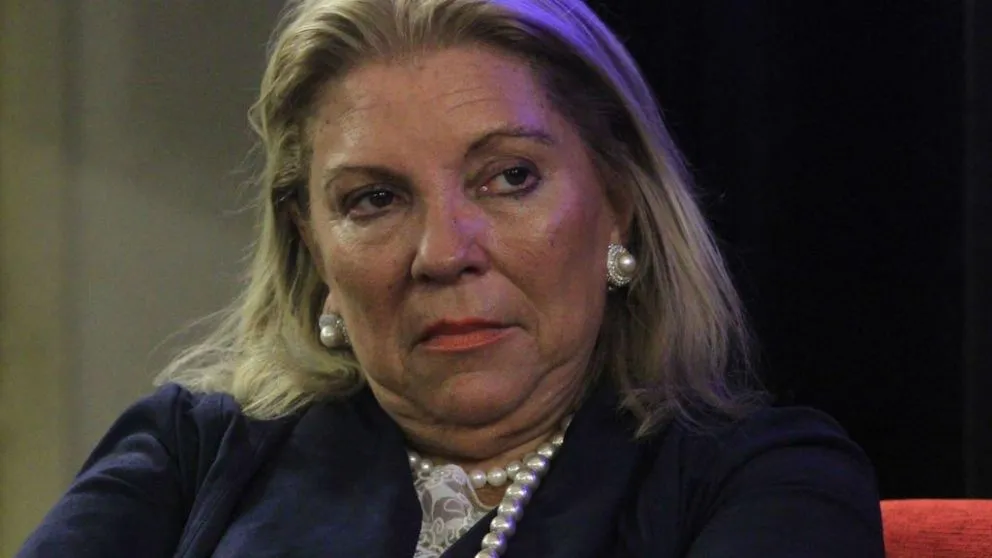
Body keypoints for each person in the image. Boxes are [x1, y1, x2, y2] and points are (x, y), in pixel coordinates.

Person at [18, 0, 885, 556]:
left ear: (618, 205)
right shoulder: (187, 456)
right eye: (374, 199)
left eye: (508, 177)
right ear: (313, 248)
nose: (443, 251)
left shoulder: (766, 481)